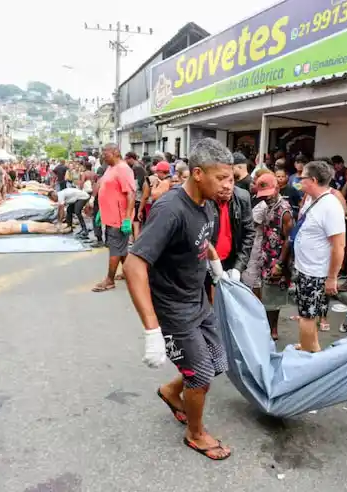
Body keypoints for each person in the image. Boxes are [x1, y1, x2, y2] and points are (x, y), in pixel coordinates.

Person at [123, 138, 234, 461]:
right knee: (199, 376)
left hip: (198, 300)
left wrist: (216, 266)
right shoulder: (170, 210)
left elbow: (201, 241)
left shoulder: (208, 203)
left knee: (216, 363)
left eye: (231, 178)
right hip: (173, 310)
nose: (227, 185)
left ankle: (172, 391)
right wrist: (152, 330)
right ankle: (196, 434)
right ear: (197, 173)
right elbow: (134, 264)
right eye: (221, 178)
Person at [291, 161, 346, 352]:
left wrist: (332, 277)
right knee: (307, 314)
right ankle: (310, 346)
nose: (299, 180)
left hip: (315, 272)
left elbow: (339, 245)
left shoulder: (331, 206)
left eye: (302, 178)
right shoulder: (311, 198)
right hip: (304, 267)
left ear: (313, 180)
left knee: (307, 317)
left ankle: (308, 355)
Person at [92, 143, 135, 292]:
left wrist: (127, 218)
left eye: (106, 153)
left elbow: (130, 194)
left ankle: (109, 280)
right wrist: (101, 211)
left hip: (119, 218)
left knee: (115, 249)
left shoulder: (123, 169)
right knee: (121, 249)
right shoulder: (110, 168)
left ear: (116, 152)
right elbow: (107, 189)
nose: (103, 156)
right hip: (110, 216)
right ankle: (130, 274)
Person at [256, 173, 293, 340]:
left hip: (277, 257)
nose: (266, 198)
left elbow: (288, 240)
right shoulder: (267, 206)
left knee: (274, 295)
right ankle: (267, 327)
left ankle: (273, 330)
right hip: (266, 254)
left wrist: (279, 263)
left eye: (268, 194)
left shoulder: (284, 211)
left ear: (277, 189)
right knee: (267, 293)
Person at [207, 168, 255, 281]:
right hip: (207, 260)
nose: (228, 187)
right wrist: (211, 264)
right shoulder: (204, 199)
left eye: (231, 181)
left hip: (231, 259)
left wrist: (238, 267)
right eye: (222, 182)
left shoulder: (242, 197)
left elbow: (248, 232)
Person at [0, 220, 71, 238]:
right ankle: (62, 230)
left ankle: (62, 225)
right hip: (24, 227)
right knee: (45, 229)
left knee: (45, 225)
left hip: (25, 224)